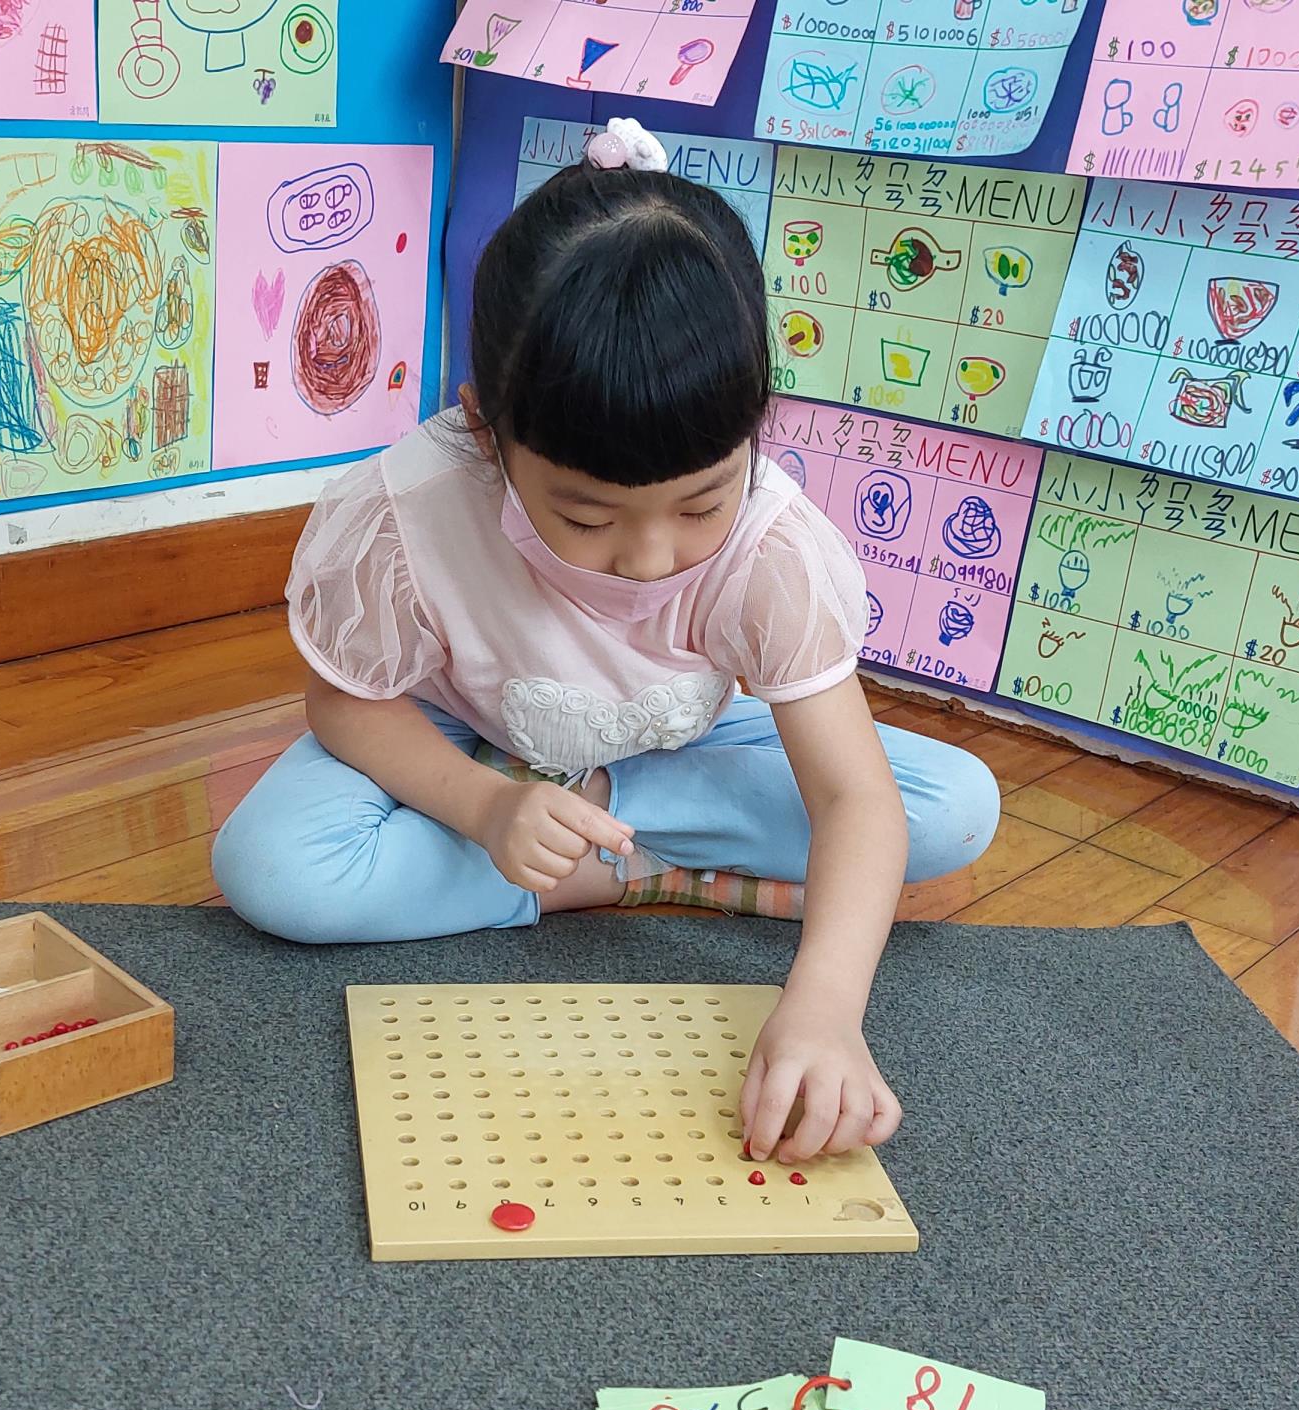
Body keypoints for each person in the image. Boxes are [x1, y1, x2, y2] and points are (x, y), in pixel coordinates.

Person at [214, 119, 1001, 1163]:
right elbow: (346, 705)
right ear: (485, 430)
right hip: (456, 740)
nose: (648, 557)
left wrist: (821, 1009)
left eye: (701, 503)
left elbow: (855, 796)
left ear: (753, 428)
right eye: (585, 517)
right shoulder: (411, 511)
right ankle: (634, 857)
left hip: (677, 754)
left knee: (953, 810)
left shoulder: (772, 549)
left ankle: (605, 851)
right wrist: (486, 806)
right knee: (273, 868)